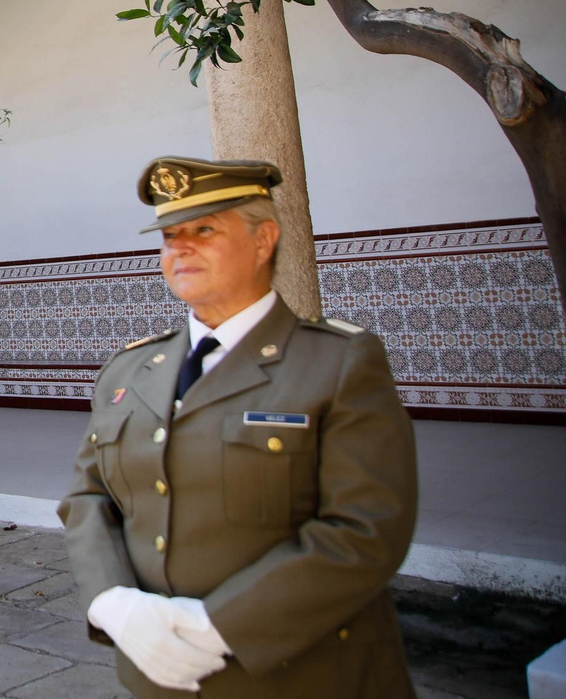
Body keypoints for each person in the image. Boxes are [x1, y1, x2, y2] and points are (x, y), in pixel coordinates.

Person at [60, 156, 418, 698]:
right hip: (158, 674)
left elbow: (366, 528)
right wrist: (113, 602)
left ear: (263, 240)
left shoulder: (338, 362)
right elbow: (89, 496)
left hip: (299, 675)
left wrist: (221, 624)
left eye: (204, 230)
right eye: (170, 235)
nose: (180, 247)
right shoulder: (130, 368)